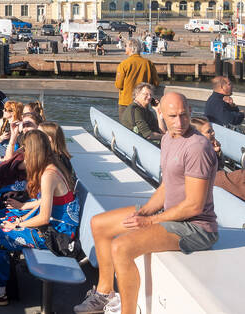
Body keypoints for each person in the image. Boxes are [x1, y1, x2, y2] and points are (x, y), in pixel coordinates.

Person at [74, 92, 218, 314]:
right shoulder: (169, 138)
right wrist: (145, 213)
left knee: (121, 247)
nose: (179, 122)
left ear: (190, 111)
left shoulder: (197, 148)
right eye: (172, 116)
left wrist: (151, 221)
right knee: (99, 224)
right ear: (160, 113)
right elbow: (166, 187)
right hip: (171, 212)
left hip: (196, 227)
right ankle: (104, 293)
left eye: (183, 115)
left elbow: (194, 206)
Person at [0, 130, 79, 305]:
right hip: (54, 226)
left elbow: (44, 218)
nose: (22, 152)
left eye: (24, 149)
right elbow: (43, 202)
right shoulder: (51, 166)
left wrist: (19, 224)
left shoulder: (48, 175)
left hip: (58, 235)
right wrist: (23, 208)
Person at [115, 38, 159, 118]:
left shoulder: (124, 64)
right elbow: (156, 82)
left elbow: (119, 85)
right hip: (142, 102)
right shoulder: (148, 63)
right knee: (142, 127)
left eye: (126, 46)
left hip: (126, 102)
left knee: (125, 127)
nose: (125, 47)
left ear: (132, 48)